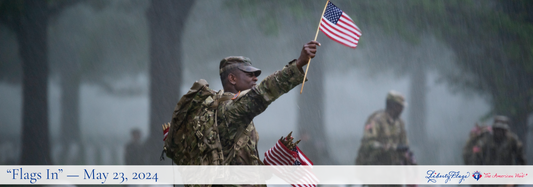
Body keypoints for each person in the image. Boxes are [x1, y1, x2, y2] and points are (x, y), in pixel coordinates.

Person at [216, 41, 319, 163]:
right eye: (249, 74)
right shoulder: (228, 110)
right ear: (232, 78)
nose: (255, 78)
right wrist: (298, 64)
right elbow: (262, 93)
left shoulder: (236, 109)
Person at [355, 90, 409, 166]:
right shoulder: (376, 121)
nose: (401, 109)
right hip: (374, 165)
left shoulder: (399, 123)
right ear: (391, 105)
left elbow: (404, 145)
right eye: (399, 106)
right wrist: (392, 148)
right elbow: (369, 144)